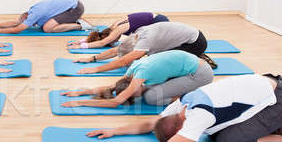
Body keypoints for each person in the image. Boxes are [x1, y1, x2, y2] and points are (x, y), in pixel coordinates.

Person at [87, 74, 282, 142]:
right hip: (266, 87)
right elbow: (152, 123)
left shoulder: (198, 115)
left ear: (181, 129)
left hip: (281, 100)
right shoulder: (181, 105)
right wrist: (114, 131)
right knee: (214, 136)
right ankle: (276, 127)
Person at [60, 50, 213, 107]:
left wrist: (79, 102)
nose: (136, 96)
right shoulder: (132, 73)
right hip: (186, 67)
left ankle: (192, 96)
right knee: (150, 92)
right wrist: (80, 92)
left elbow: (115, 102)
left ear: (132, 88)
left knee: (152, 97)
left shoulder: (140, 75)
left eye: (133, 94)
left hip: (200, 73)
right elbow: (113, 86)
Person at [74, 21, 215, 74]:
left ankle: (199, 57)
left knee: (162, 65)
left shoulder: (144, 41)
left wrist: (96, 69)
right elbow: (117, 51)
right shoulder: (136, 36)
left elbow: (123, 61)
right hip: (183, 37)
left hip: (195, 43)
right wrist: (92, 58)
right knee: (154, 58)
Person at [0, 0, 92, 34]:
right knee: (46, 25)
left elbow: (17, 29)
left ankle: (80, 25)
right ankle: (73, 19)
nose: (27, 23)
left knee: (47, 28)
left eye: (26, 21)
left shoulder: (35, 14)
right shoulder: (30, 12)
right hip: (70, 7)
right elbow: (16, 23)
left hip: (75, 8)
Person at [68, 12, 169, 49]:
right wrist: (81, 40)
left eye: (113, 40)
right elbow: (98, 36)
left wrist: (81, 46)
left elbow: (102, 42)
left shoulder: (117, 29)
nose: (116, 41)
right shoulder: (114, 25)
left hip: (160, 22)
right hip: (157, 18)